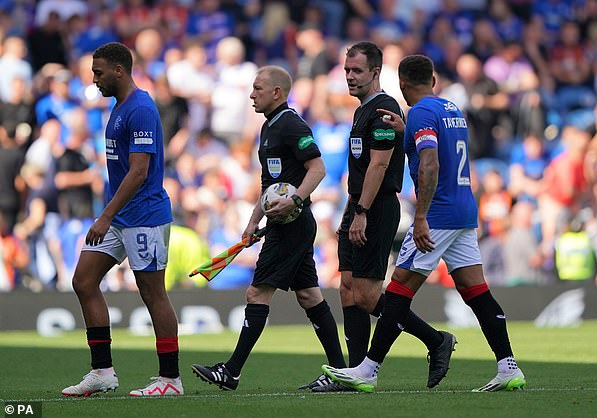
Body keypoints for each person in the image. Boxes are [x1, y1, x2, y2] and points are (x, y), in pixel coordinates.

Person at [322, 54, 526, 393]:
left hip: (439, 214)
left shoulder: (419, 113)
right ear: (432, 80)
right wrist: (407, 132)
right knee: (476, 291)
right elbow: (439, 149)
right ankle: (508, 366)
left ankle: (368, 370)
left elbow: (429, 162)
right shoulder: (450, 110)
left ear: (401, 84)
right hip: (464, 210)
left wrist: (420, 218)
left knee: (399, 288)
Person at [191, 65, 346, 391]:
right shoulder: (269, 128)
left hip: (292, 224)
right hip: (284, 223)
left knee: (256, 292)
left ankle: (231, 371)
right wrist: (251, 222)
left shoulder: (291, 124)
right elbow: (269, 187)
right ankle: (341, 372)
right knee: (308, 295)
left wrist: (296, 200)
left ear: (277, 92)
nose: (251, 94)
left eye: (258, 88)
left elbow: (317, 168)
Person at [318, 41, 455, 393]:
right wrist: (351, 208)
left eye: (357, 71)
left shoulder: (382, 110)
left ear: (376, 72)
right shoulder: (362, 111)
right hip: (356, 204)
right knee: (347, 290)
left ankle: (435, 340)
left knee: (365, 295)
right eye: (347, 70)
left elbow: (379, 165)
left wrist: (361, 211)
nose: (349, 77)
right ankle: (352, 372)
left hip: (375, 207)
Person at [61, 42, 183, 397]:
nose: (94, 79)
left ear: (119, 70)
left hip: (144, 216)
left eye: (98, 72)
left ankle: (170, 379)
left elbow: (139, 171)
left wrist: (104, 215)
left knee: (152, 292)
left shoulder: (141, 108)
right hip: (120, 217)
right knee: (84, 281)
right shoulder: (119, 108)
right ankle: (102, 371)